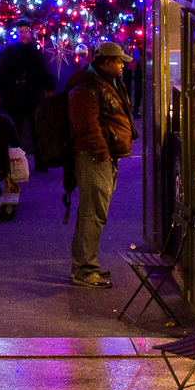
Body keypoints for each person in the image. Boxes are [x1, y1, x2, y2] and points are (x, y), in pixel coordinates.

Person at [63, 40, 134, 287]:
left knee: (93, 213)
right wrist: (103, 153)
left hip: (102, 157)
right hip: (93, 159)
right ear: (105, 62)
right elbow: (87, 126)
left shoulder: (105, 83)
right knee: (93, 214)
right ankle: (84, 269)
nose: (122, 66)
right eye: (118, 62)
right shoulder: (86, 88)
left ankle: (86, 265)